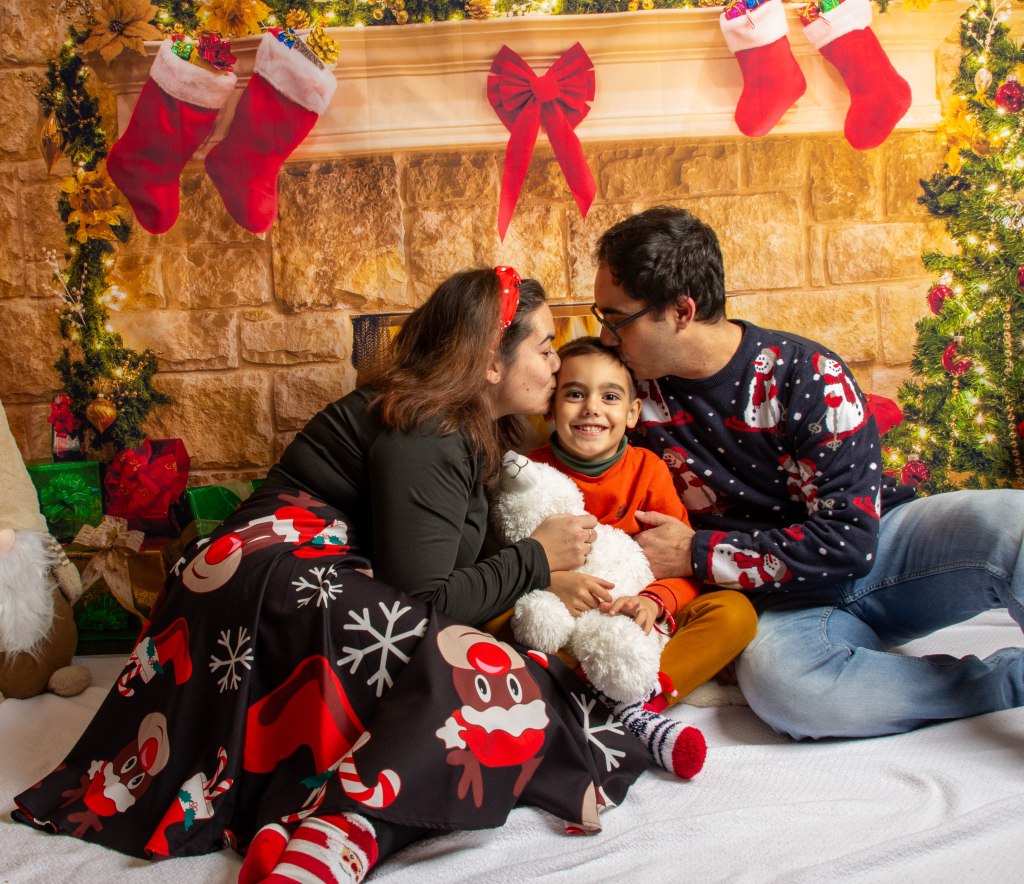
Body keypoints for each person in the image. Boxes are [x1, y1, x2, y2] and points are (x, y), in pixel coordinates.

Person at [13, 267, 652, 883]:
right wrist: (534, 556)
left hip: (275, 571)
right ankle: (345, 823)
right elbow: (428, 600)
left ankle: (341, 817)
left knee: (458, 665)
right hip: (268, 576)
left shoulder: (463, 426)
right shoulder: (427, 427)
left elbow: (449, 562)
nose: (555, 364)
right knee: (470, 670)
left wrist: (536, 574)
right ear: (491, 360)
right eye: (544, 347)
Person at [590, 205, 1024, 741]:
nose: (605, 337)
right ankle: (1006, 683)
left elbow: (849, 542)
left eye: (617, 320)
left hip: (882, 552)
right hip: (777, 604)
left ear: (681, 311)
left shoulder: (809, 375)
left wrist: (698, 553)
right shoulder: (621, 394)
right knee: (791, 692)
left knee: (1013, 523)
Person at [528, 336, 757, 713]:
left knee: (735, 612)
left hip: (639, 615)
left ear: (633, 412)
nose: (591, 408)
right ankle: (573, 694)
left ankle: (644, 700)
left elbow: (684, 567)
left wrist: (653, 601)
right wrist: (550, 582)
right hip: (569, 619)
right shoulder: (529, 472)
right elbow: (509, 557)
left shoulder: (648, 470)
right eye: (574, 394)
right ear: (550, 407)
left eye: (610, 397)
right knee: (499, 617)